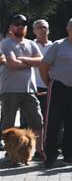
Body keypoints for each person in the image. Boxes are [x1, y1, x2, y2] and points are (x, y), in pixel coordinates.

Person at [39, 18, 72, 167]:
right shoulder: (58, 45)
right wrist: (49, 84)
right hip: (59, 87)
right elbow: (43, 66)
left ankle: (69, 154)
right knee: (53, 123)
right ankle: (50, 156)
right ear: (68, 28)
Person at [1, 14, 44, 159]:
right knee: (9, 124)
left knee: (38, 121)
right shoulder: (6, 43)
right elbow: (13, 64)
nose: (20, 26)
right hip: (10, 90)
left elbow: (40, 61)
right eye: (16, 23)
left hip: (29, 90)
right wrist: (30, 62)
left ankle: (39, 151)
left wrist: (23, 60)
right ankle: (10, 152)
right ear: (10, 27)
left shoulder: (31, 44)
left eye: (23, 24)